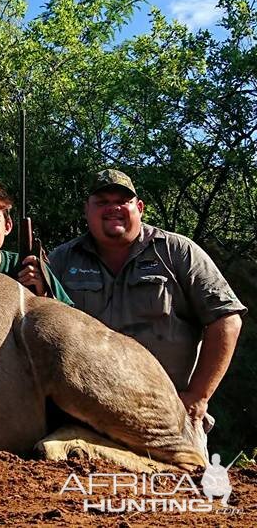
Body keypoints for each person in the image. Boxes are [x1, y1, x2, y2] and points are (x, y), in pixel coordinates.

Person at [48, 169, 246, 428]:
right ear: (87, 210)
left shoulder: (177, 251)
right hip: (84, 416)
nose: (113, 208)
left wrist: (198, 396)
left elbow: (227, 320)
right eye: (102, 202)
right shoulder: (61, 260)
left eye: (122, 201)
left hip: (164, 416)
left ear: (139, 208)